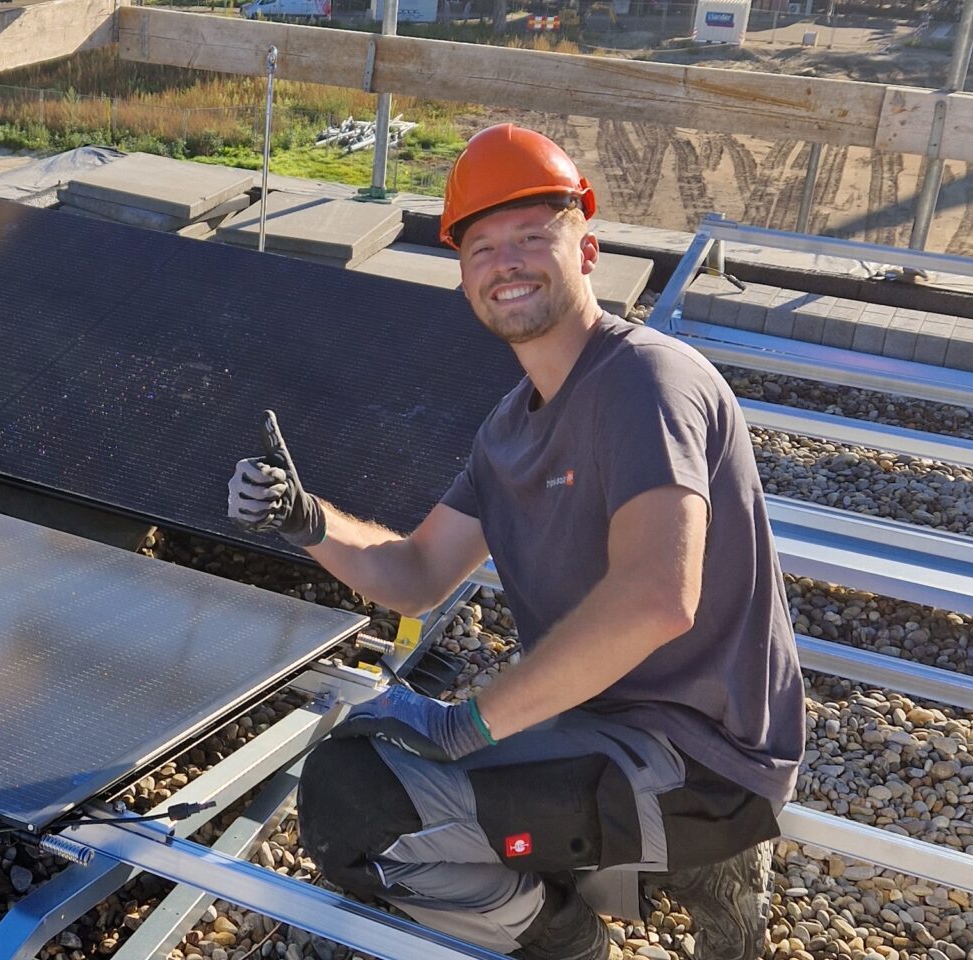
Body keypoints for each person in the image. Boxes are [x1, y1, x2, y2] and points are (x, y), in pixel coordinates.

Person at [226, 124, 805, 960]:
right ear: (463, 279)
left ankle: (570, 939)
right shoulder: (506, 432)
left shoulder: (647, 379)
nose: (507, 261)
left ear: (587, 248)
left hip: (700, 762)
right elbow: (420, 572)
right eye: (483, 246)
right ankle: (567, 889)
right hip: (601, 729)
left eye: (533, 235)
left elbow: (655, 598)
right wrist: (305, 518)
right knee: (364, 742)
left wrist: (471, 727)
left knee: (361, 808)